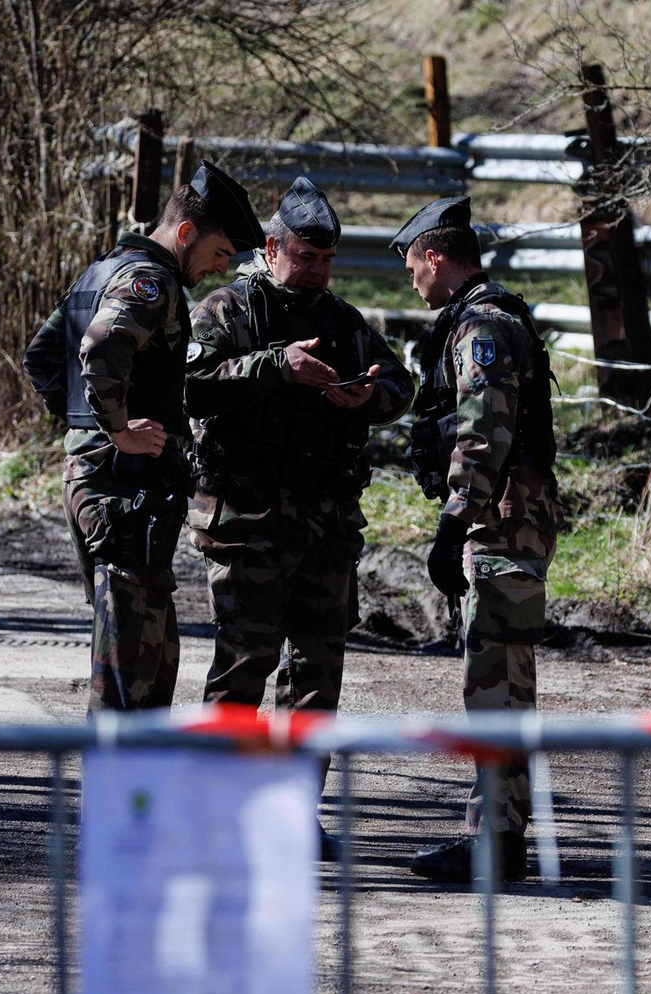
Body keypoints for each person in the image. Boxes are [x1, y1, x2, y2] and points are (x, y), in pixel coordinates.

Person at [184, 176, 414, 853]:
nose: (318, 270)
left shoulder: (341, 321)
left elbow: (399, 383)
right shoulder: (228, 309)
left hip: (325, 530)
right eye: (307, 257)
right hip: (248, 524)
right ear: (273, 247)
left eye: (327, 259)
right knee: (241, 669)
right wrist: (274, 367)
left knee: (316, 679)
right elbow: (190, 387)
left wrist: (365, 398)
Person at [22, 161, 264, 712]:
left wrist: (86, 429)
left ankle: (133, 791)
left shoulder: (103, 270)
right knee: (130, 670)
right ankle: (113, 793)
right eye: (220, 253)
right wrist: (116, 431)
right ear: (185, 234)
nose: (221, 269)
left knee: (148, 655)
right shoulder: (150, 282)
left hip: (104, 483)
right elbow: (101, 347)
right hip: (122, 489)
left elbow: (41, 358)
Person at [390, 195, 561, 884]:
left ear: (436, 255)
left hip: (502, 516)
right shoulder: (487, 315)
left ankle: (495, 838)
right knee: (504, 678)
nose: (412, 281)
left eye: (412, 266)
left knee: (494, 680)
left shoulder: (480, 326)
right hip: (511, 513)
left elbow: (483, 428)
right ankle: (502, 832)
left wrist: (454, 518)